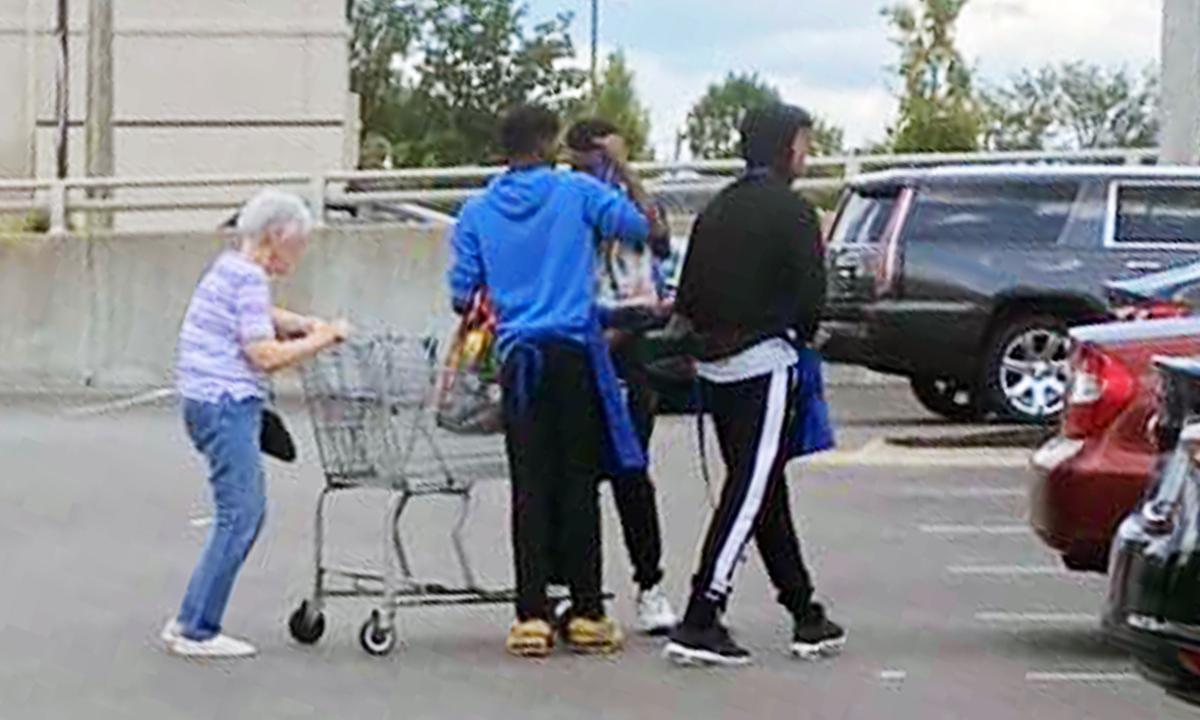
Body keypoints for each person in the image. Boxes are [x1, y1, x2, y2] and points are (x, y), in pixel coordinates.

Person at [447, 105, 651, 658]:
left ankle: (530, 615)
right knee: (578, 484)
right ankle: (587, 612)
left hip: (519, 361)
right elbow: (643, 228)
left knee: (529, 487)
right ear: (549, 144)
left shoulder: (478, 211)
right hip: (574, 354)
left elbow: (462, 296)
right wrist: (620, 170)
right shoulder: (576, 194)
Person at [663, 103, 846, 666]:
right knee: (748, 490)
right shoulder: (793, 213)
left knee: (763, 489)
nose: (807, 156)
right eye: (805, 145)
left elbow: (687, 292)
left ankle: (803, 610)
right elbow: (812, 299)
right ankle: (701, 613)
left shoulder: (718, 208)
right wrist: (803, 336)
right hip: (765, 361)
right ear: (788, 147)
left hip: (714, 367)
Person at [162, 189, 350, 658]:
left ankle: (191, 620)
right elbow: (263, 354)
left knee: (240, 512)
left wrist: (302, 323)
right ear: (275, 237)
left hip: (205, 402)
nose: (300, 254)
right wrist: (322, 338)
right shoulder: (248, 278)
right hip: (227, 404)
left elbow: (261, 318)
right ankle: (196, 628)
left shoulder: (228, 268)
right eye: (298, 244)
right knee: (242, 514)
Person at [551, 118, 676, 635]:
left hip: (628, 343)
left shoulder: (632, 202)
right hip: (578, 337)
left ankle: (650, 585)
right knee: (569, 479)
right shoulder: (565, 201)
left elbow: (658, 239)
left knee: (629, 473)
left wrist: (626, 171)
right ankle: (572, 589)